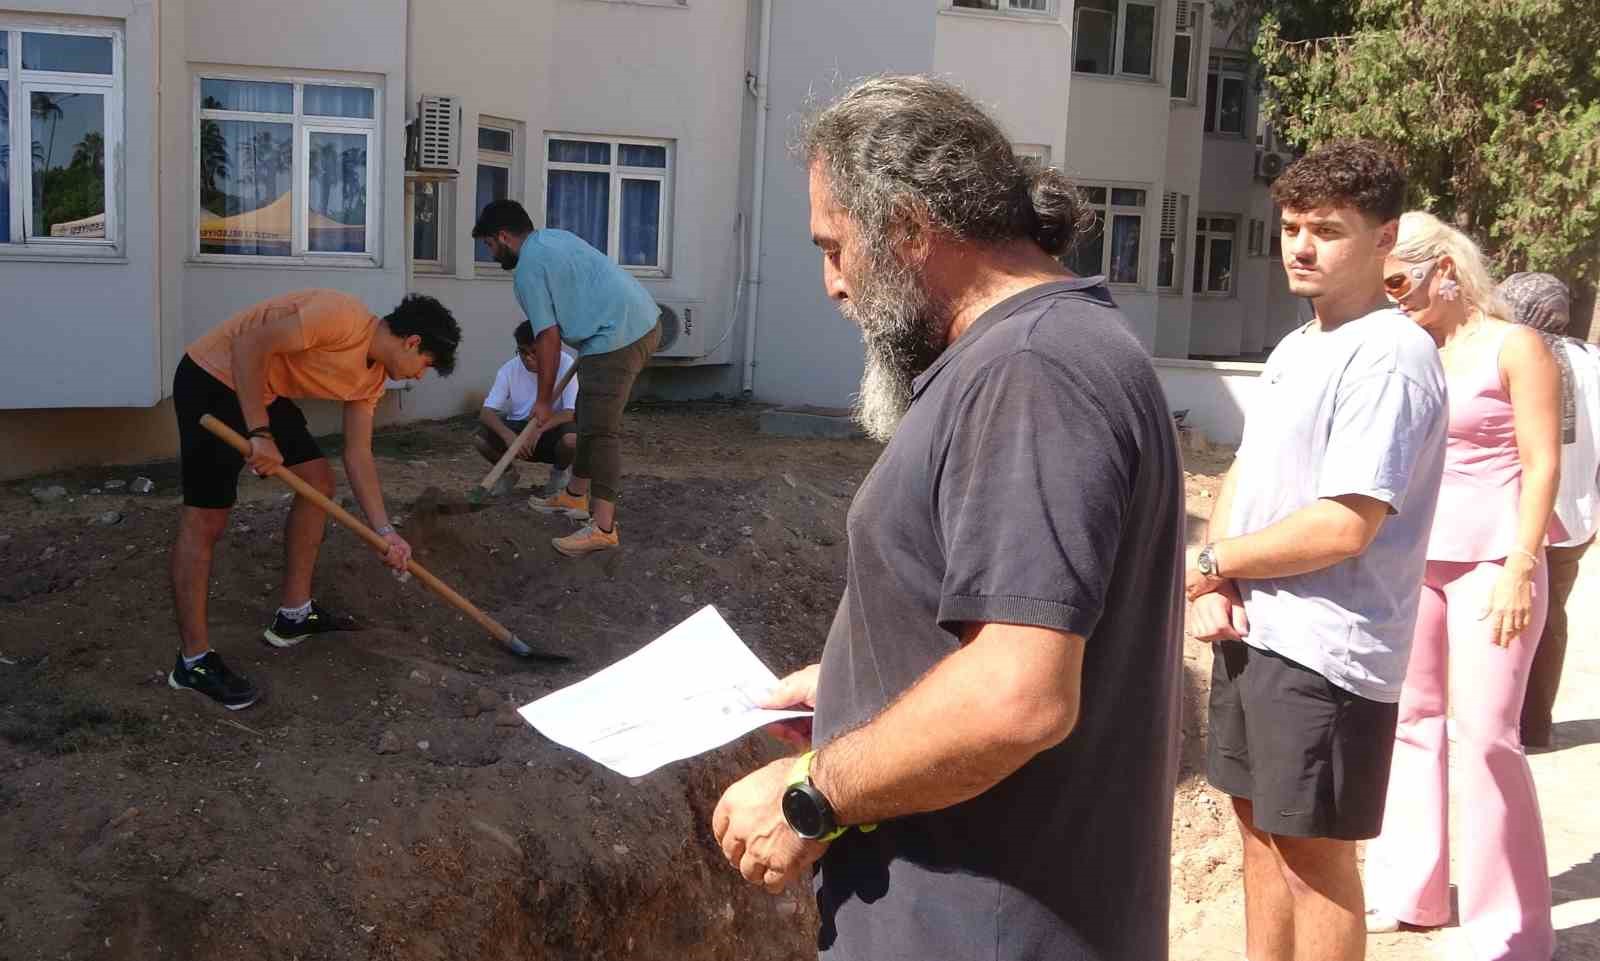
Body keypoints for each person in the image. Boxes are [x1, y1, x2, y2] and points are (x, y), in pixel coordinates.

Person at [710, 75, 1186, 961]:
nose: (831, 285)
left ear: (908, 227)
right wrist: (858, 679)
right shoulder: (1042, 354)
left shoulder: (1034, 372)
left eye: (834, 247)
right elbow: (1018, 623)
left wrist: (811, 792)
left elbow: (1018, 693)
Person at [1186, 142, 1449, 961]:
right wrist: (1214, 578)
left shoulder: (1390, 355)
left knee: (1315, 859)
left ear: (1384, 237)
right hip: (1258, 630)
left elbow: (1345, 524)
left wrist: (1210, 562)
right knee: (1259, 833)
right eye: (1291, 226)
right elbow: (1244, 469)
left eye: (1327, 229)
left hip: (1329, 649)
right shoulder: (1300, 346)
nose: (1300, 245)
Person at [1364, 216, 1562, 961]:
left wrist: (1520, 563)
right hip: (1413, 561)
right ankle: (1412, 892)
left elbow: (1542, 464)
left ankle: (1508, 924)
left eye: (1397, 280)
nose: (1392, 298)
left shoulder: (1518, 346)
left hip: (1493, 563)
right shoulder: (1411, 351)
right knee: (1411, 723)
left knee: (1486, 737)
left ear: (1443, 268)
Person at [169, 290, 461, 710]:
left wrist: (385, 532)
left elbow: (358, 454)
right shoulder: (341, 318)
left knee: (319, 483)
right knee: (207, 520)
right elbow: (249, 344)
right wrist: (260, 434)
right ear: (412, 342)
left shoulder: (373, 379)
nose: (418, 376)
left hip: (262, 387)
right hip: (213, 378)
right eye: (425, 365)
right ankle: (193, 662)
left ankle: (293, 616)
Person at [470, 200, 661, 557]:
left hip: (619, 334)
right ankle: (574, 496)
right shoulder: (552, 239)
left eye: (489, 246)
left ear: (504, 237)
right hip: (627, 321)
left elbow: (548, 338)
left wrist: (543, 402)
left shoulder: (527, 270)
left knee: (601, 431)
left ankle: (603, 527)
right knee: (588, 418)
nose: (492, 255)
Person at [1499, 272, 1599, 749]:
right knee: (1550, 615)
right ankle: (1534, 724)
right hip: (1578, 514)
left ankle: (1503, 722)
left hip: (1521, 512)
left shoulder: (1515, 358)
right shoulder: (1591, 360)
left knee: (1509, 617)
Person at [474, 321, 579, 495]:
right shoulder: (508, 370)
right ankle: (508, 474)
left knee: (572, 440)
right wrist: (508, 436)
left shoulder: (566, 364)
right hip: (519, 431)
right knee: (480, 438)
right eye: (523, 352)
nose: (528, 358)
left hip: (551, 430)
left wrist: (538, 430)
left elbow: (570, 413)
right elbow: (486, 412)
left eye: (535, 352)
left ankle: (559, 473)